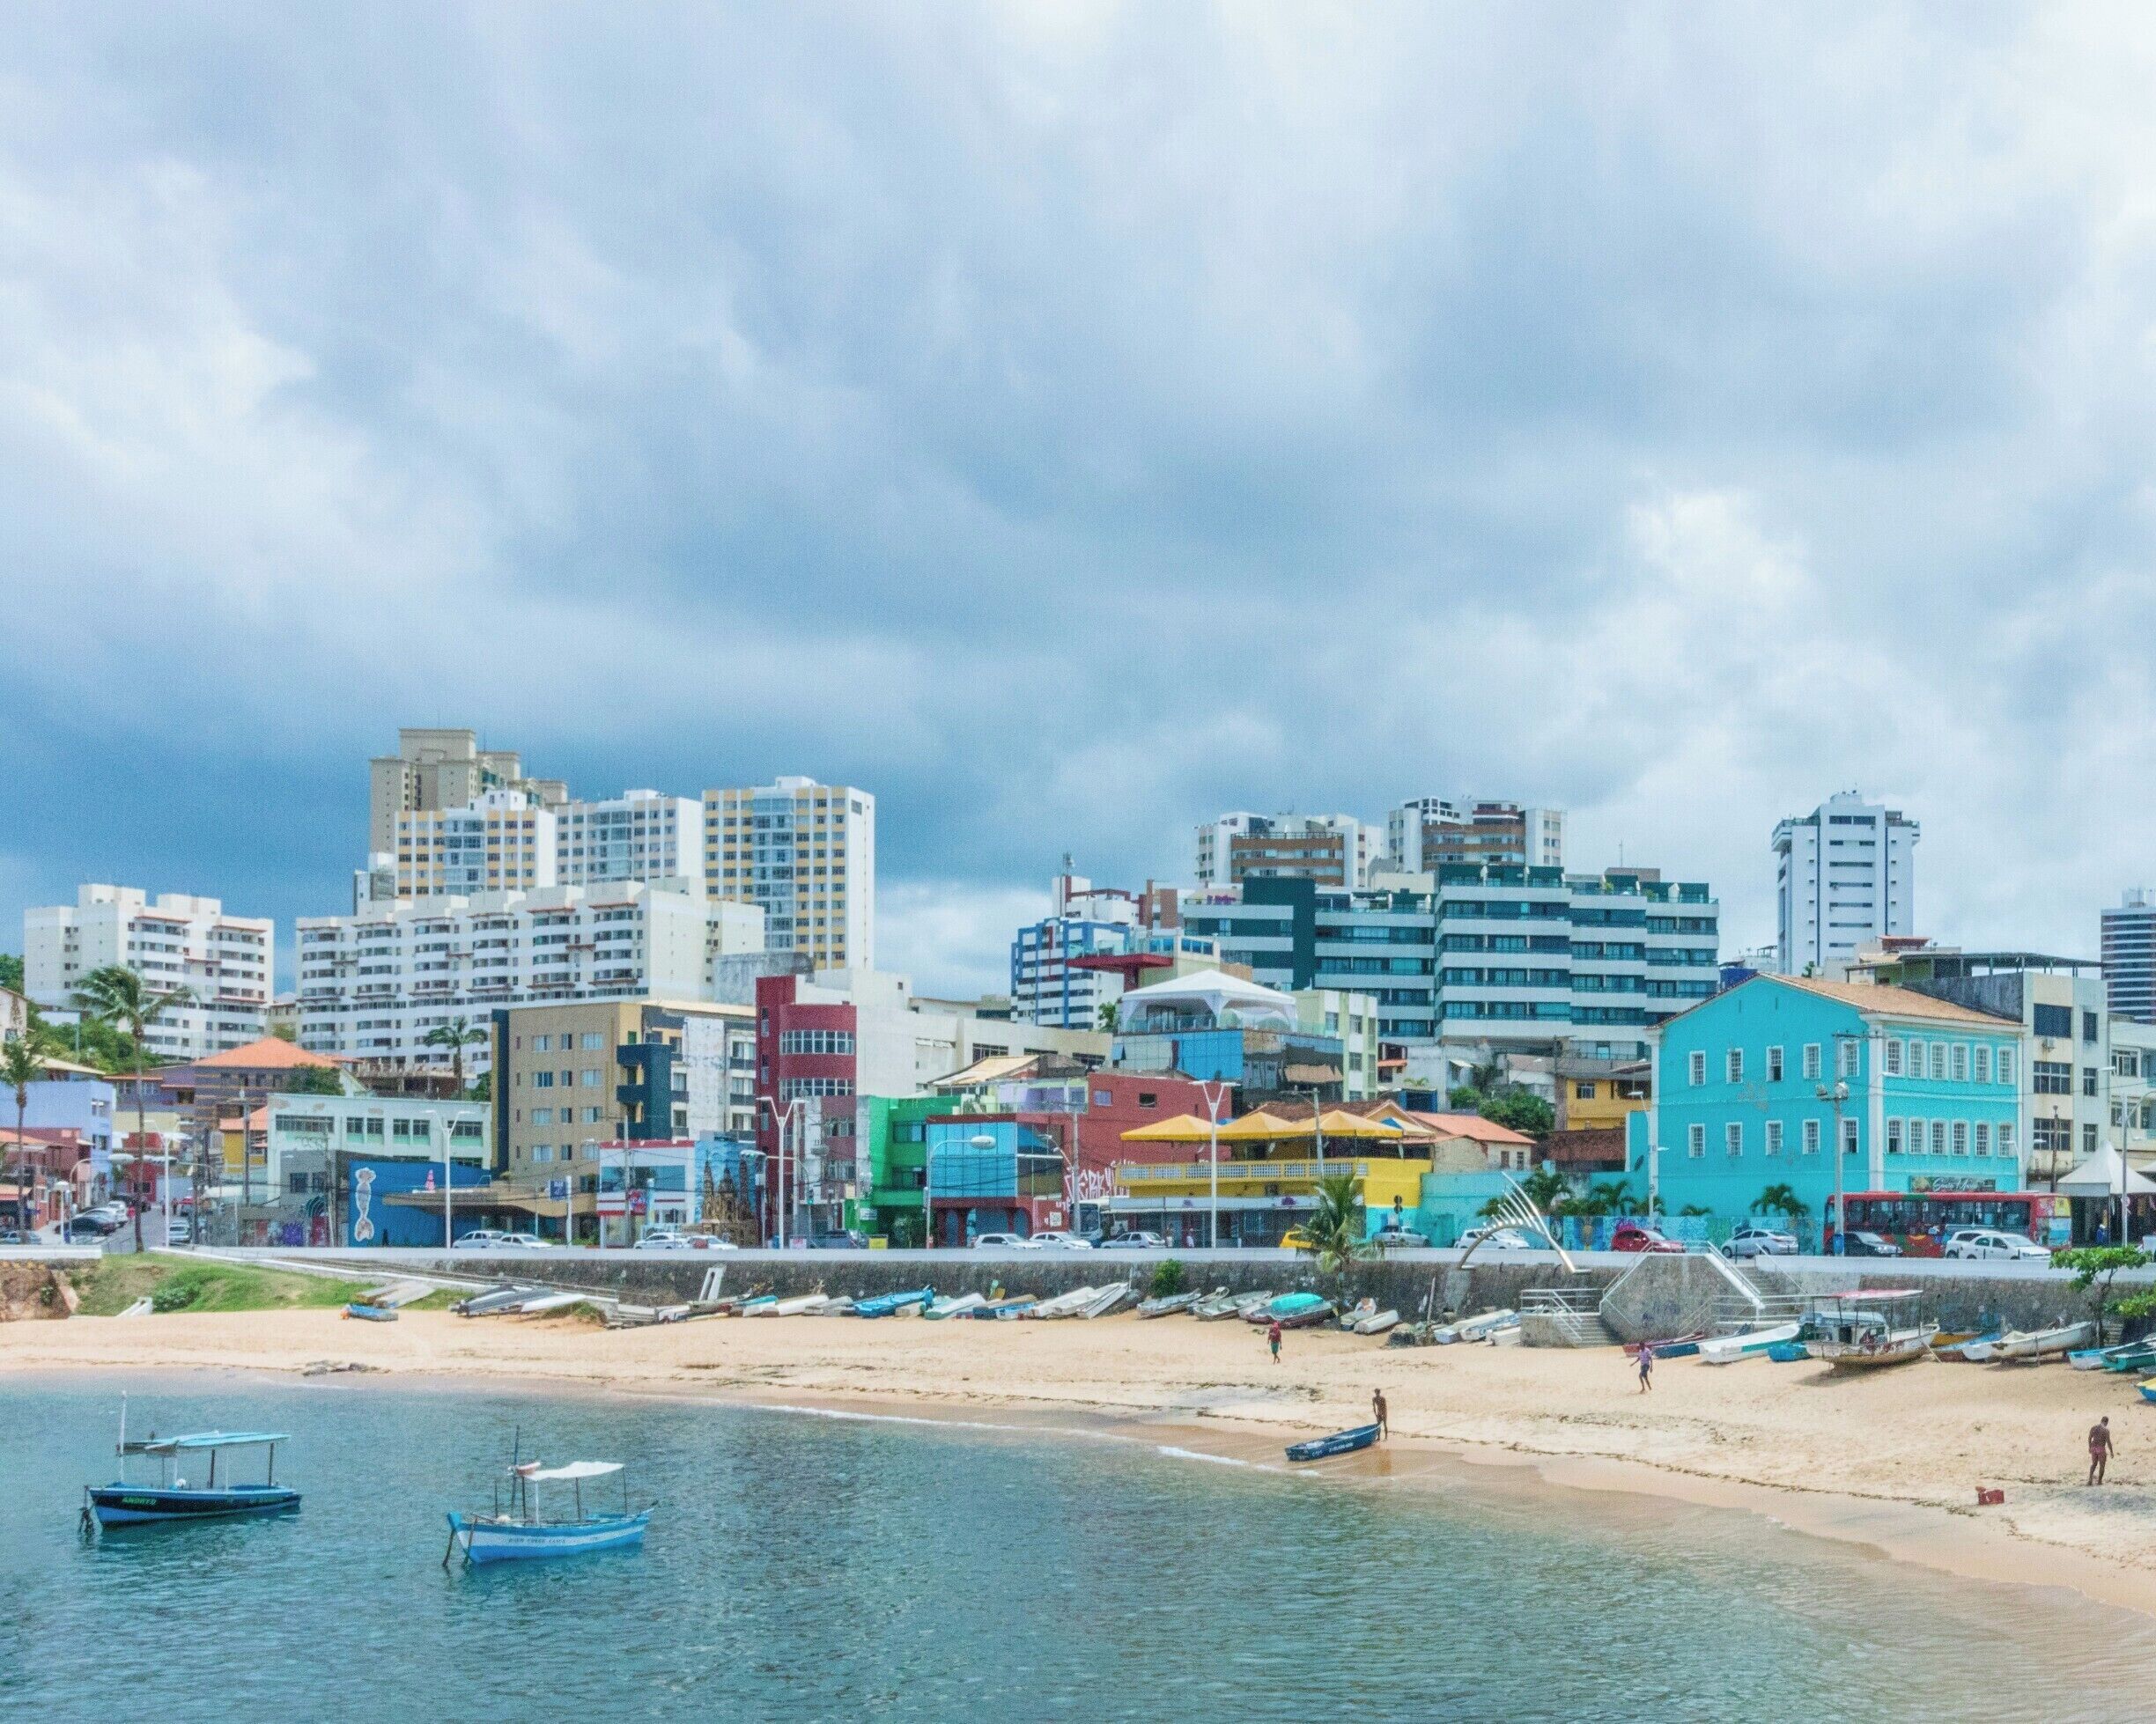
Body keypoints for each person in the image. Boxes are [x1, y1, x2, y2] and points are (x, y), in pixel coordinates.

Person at [2090, 1415, 2116, 1485]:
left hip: (2093, 1448)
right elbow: (2108, 1442)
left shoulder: (2093, 1428)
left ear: (2101, 1420)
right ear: (2107, 1422)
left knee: (2094, 1464)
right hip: (2101, 1448)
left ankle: (2090, 1480)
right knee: (2102, 1466)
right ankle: (2099, 1481)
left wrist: (2089, 1447)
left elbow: (2089, 1438)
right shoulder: (2106, 1430)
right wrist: (2111, 1452)